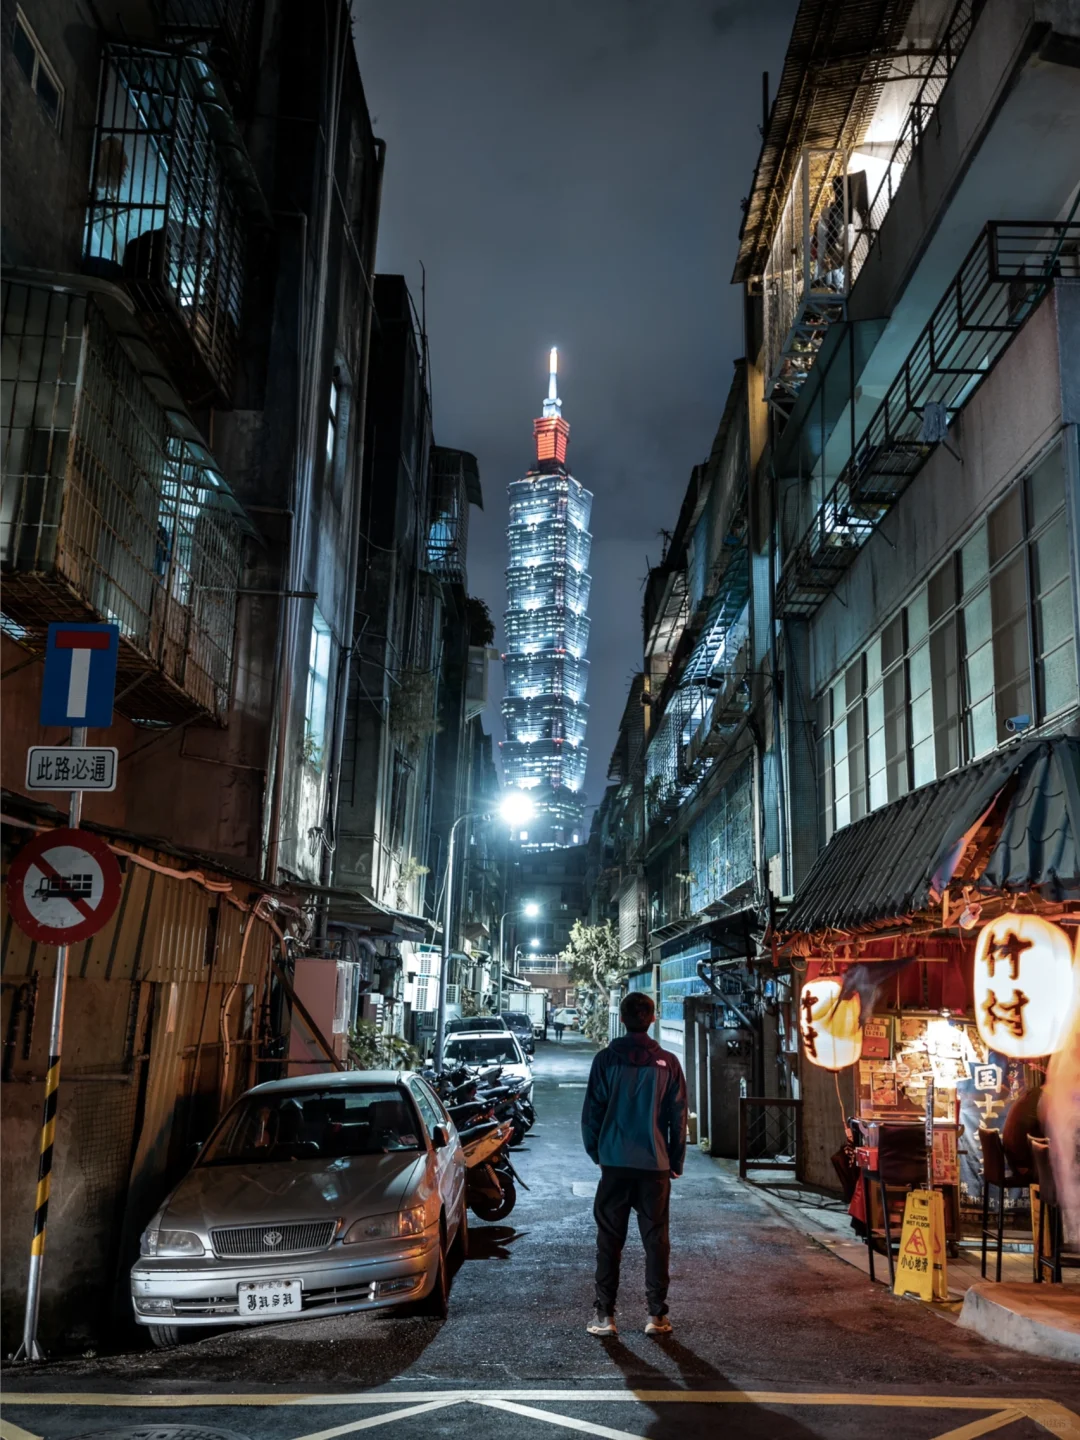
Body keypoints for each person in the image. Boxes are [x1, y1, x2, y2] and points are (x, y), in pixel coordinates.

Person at [580, 992, 687, 1338]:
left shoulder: (605, 1061)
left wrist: (597, 1152)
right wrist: (676, 1158)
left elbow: (592, 1112)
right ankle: (657, 1316)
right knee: (656, 1240)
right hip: (654, 1165)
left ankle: (605, 1316)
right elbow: (678, 1116)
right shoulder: (668, 1063)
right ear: (653, 1018)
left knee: (609, 1239)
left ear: (621, 1020)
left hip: (614, 1164)